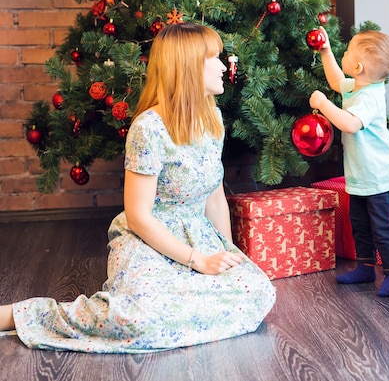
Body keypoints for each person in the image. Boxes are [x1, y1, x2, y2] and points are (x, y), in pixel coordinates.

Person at [0, 23, 276, 352]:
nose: (223, 65)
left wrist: (226, 256)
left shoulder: (212, 119)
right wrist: (196, 261)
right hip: (149, 237)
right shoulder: (149, 128)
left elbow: (214, 195)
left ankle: (184, 306)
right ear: (187, 66)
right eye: (213, 58)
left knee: (259, 294)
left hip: (199, 235)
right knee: (138, 319)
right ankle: (20, 317)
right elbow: (139, 217)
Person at [309, 27, 389, 297]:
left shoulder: (369, 97)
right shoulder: (358, 86)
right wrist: (326, 52)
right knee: (359, 225)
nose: (345, 53)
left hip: (379, 177)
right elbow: (336, 81)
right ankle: (365, 266)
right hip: (361, 177)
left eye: (348, 51)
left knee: (382, 228)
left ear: (359, 66)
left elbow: (350, 124)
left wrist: (324, 104)